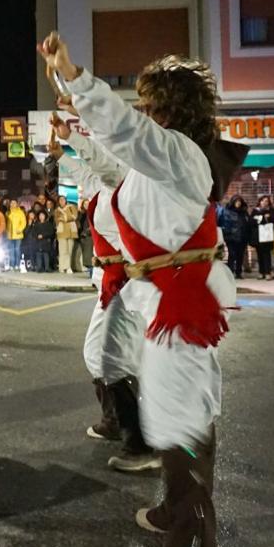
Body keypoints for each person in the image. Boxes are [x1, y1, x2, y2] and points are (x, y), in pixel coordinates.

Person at [41, 33, 247, 547]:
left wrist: (77, 77)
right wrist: (77, 135)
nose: (139, 109)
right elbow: (114, 166)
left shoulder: (180, 155)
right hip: (165, 306)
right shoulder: (163, 163)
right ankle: (182, 525)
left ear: (167, 107)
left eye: (147, 100)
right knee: (177, 421)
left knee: (182, 425)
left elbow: (129, 139)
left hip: (176, 308)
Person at [53, 109, 156, 473]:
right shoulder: (104, 181)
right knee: (100, 356)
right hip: (111, 280)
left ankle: (143, 441)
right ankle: (118, 423)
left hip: (127, 281)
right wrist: (61, 155)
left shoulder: (124, 177)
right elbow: (87, 170)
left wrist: (72, 136)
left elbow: (99, 164)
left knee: (113, 359)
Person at [217, 196, 250, 280]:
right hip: (231, 237)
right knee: (232, 255)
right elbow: (221, 222)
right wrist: (226, 231)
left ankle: (239, 272)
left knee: (240, 255)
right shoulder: (226, 211)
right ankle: (230, 272)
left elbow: (247, 223)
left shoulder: (244, 212)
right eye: (237, 201)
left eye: (240, 202)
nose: (238, 203)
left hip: (242, 237)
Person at [251, 195, 274, 280]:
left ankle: (268, 272)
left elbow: (273, 220)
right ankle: (261, 272)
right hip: (258, 236)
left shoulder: (272, 210)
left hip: (267, 236)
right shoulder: (255, 210)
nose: (264, 203)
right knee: (260, 255)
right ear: (260, 202)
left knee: (267, 255)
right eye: (263, 201)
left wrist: (261, 219)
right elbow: (252, 221)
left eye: (266, 201)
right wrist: (262, 218)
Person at [54, 196, 79, 274]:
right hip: (61, 232)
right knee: (62, 250)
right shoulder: (57, 210)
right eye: (60, 200)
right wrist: (66, 218)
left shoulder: (71, 207)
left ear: (65, 200)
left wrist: (64, 218)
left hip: (71, 231)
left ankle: (68, 267)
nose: (61, 201)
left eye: (63, 199)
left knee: (69, 250)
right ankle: (62, 267)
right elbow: (57, 220)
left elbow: (74, 216)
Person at [6, 199, 26, 271]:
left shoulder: (20, 212)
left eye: (14, 203)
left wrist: (20, 229)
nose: (13, 204)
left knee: (17, 250)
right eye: (12, 203)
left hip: (18, 235)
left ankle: (17, 265)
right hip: (10, 234)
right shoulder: (8, 212)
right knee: (11, 251)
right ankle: (12, 265)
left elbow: (23, 222)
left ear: (17, 204)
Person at [77, 198, 93, 275]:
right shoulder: (81, 214)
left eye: (88, 204)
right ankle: (90, 270)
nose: (86, 205)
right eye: (85, 204)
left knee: (89, 254)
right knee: (85, 254)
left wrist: (87, 232)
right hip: (82, 236)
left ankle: (91, 271)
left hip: (89, 236)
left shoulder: (92, 213)